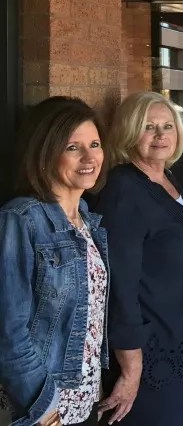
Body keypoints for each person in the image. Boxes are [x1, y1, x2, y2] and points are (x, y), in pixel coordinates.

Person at [93, 92, 183, 426]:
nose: (160, 134)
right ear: (130, 132)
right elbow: (120, 286)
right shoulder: (124, 190)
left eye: (167, 126)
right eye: (149, 127)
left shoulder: (166, 178)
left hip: (181, 347)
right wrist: (131, 368)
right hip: (150, 357)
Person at [0, 97, 107, 426]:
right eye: (73, 147)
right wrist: (45, 410)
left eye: (94, 144)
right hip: (40, 407)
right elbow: (8, 333)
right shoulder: (22, 219)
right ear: (45, 153)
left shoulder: (87, 219)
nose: (89, 157)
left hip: (85, 400)